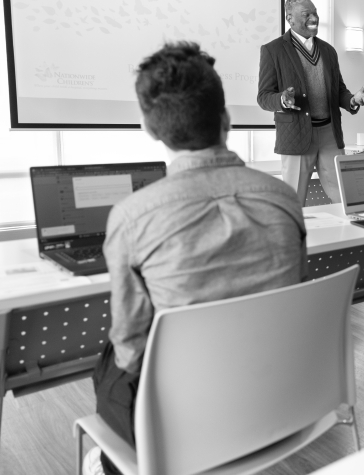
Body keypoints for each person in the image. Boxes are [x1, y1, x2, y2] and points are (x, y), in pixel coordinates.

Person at [83, 42, 308, 475]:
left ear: (151, 129)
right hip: (280, 402)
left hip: (180, 423)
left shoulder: (132, 216)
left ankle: (110, 462)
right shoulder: (284, 198)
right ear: (226, 119)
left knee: (113, 356)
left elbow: (131, 349)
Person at [257, 0, 364, 205]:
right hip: (296, 135)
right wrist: (283, 100)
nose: (314, 18)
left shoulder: (328, 51)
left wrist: (352, 100)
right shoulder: (272, 50)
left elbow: (339, 91)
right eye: (306, 14)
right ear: (290, 18)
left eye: (315, 13)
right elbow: (264, 96)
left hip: (329, 133)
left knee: (344, 199)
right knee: (295, 203)